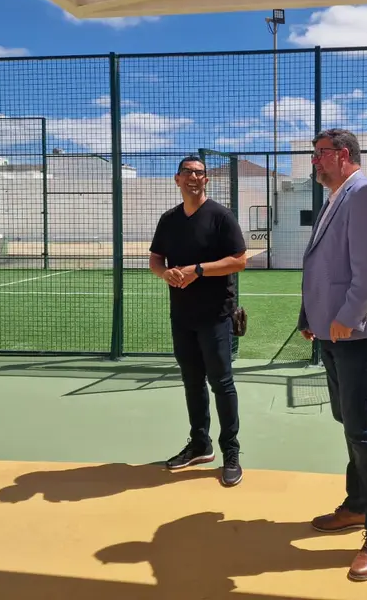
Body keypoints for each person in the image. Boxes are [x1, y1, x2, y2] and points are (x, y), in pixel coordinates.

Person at [298, 129, 367, 582]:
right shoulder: (337, 197)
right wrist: (310, 316)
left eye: (319, 155)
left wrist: (348, 317)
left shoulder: (364, 193)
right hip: (332, 331)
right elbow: (319, 263)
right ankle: (358, 505)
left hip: (356, 331)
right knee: (348, 418)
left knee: (363, 426)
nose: (314, 162)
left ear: (342, 155)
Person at [149, 155, 248, 487]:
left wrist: (198, 270)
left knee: (221, 383)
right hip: (182, 316)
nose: (194, 177)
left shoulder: (221, 217)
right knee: (192, 382)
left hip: (217, 315)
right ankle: (200, 444)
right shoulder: (169, 220)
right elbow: (155, 259)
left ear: (206, 181)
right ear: (177, 179)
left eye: (200, 173)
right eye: (187, 173)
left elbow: (239, 260)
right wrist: (166, 273)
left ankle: (230, 452)